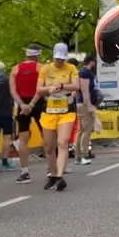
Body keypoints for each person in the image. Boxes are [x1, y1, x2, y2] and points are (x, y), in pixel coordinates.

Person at [38, 43, 79, 192]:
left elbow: (76, 86)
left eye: (62, 59)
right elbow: (38, 90)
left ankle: (60, 176)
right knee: (49, 147)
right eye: (57, 58)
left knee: (63, 143)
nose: (60, 61)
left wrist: (63, 86)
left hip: (66, 111)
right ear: (53, 56)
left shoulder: (71, 68)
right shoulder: (45, 69)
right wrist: (49, 89)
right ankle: (54, 175)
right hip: (49, 111)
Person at [9, 46, 44, 184]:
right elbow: (41, 89)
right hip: (38, 103)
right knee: (47, 135)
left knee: (23, 138)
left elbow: (12, 90)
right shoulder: (41, 68)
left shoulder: (15, 69)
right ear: (37, 55)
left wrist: (22, 104)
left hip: (22, 104)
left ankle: (24, 172)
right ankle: (51, 168)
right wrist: (32, 104)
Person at [75, 54, 100, 166]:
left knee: (81, 131)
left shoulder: (86, 73)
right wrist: (89, 104)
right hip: (85, 104)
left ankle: (78, 156)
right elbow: (84, 90)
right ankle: (83, 155)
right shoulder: (85, 73)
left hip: (82, 104)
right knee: (86, 131)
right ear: (91, 62)